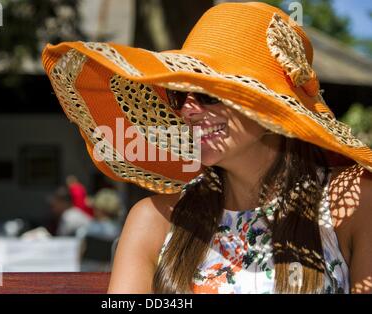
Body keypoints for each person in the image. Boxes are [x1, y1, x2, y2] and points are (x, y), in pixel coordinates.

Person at [42, 3, 372, 293]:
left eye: (207, 93)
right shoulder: (153, 221)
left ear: (272, 107)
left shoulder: (353, 200)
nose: (187, 110)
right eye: (178, 95)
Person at [76, 188, 123, 271]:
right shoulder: (120, 230)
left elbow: (79, 252)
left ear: (99, 209)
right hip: (110, 272)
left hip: (87, 271)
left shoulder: (87, 229)